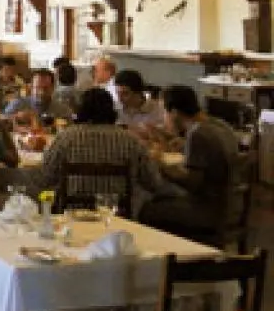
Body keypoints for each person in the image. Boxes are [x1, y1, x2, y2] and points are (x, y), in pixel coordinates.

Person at [40, 88, 172, 217]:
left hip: (72, 212)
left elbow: (47, 176)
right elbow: (153, 182)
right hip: (118, 213)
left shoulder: (65, 138)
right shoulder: (130, 140)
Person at [138, 85, 241, 238]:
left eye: (165, 112)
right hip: (233, 205)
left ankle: (172, 249)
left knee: (144, 209)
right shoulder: (220, 125)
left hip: (208, 211)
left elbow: (193, 183)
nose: (164, 118)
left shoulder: (198, 134)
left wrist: (159, 163)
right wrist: (182, 143)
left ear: (174, 112)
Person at [3, 69, 73, 123]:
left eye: (45, 88)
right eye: (37, 87)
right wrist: (16, 117)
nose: (41, 92)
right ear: (31, 87)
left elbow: (71, 129)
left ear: (53, 88)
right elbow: (2, 121)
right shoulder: (18, 104)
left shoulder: (63, 110)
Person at [114, 69, 166, 138]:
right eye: (118, 93)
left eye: (125, 94)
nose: (120, 98)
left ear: (138, 92)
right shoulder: (115, 109)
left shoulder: (158, 110)